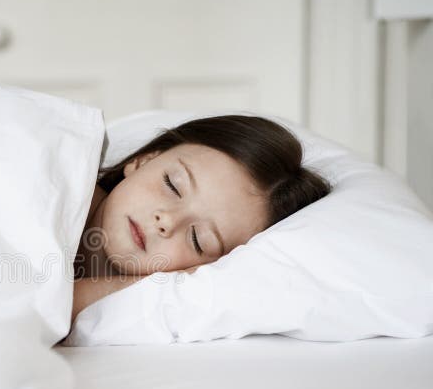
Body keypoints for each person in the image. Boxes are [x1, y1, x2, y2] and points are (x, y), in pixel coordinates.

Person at [71, 115, 331, 322]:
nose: (167, 221)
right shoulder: (55, 179)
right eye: (173, 185)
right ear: (143, 161)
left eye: (198, 239)